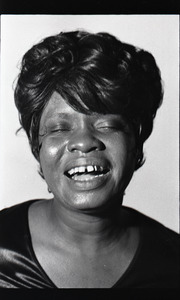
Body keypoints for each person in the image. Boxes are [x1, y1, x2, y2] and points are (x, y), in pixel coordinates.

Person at [0, 30, 179, 288]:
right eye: (60, 128)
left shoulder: (172, 264)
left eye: (107, 125)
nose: (84, 142)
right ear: (36, 147)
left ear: (136, 143)